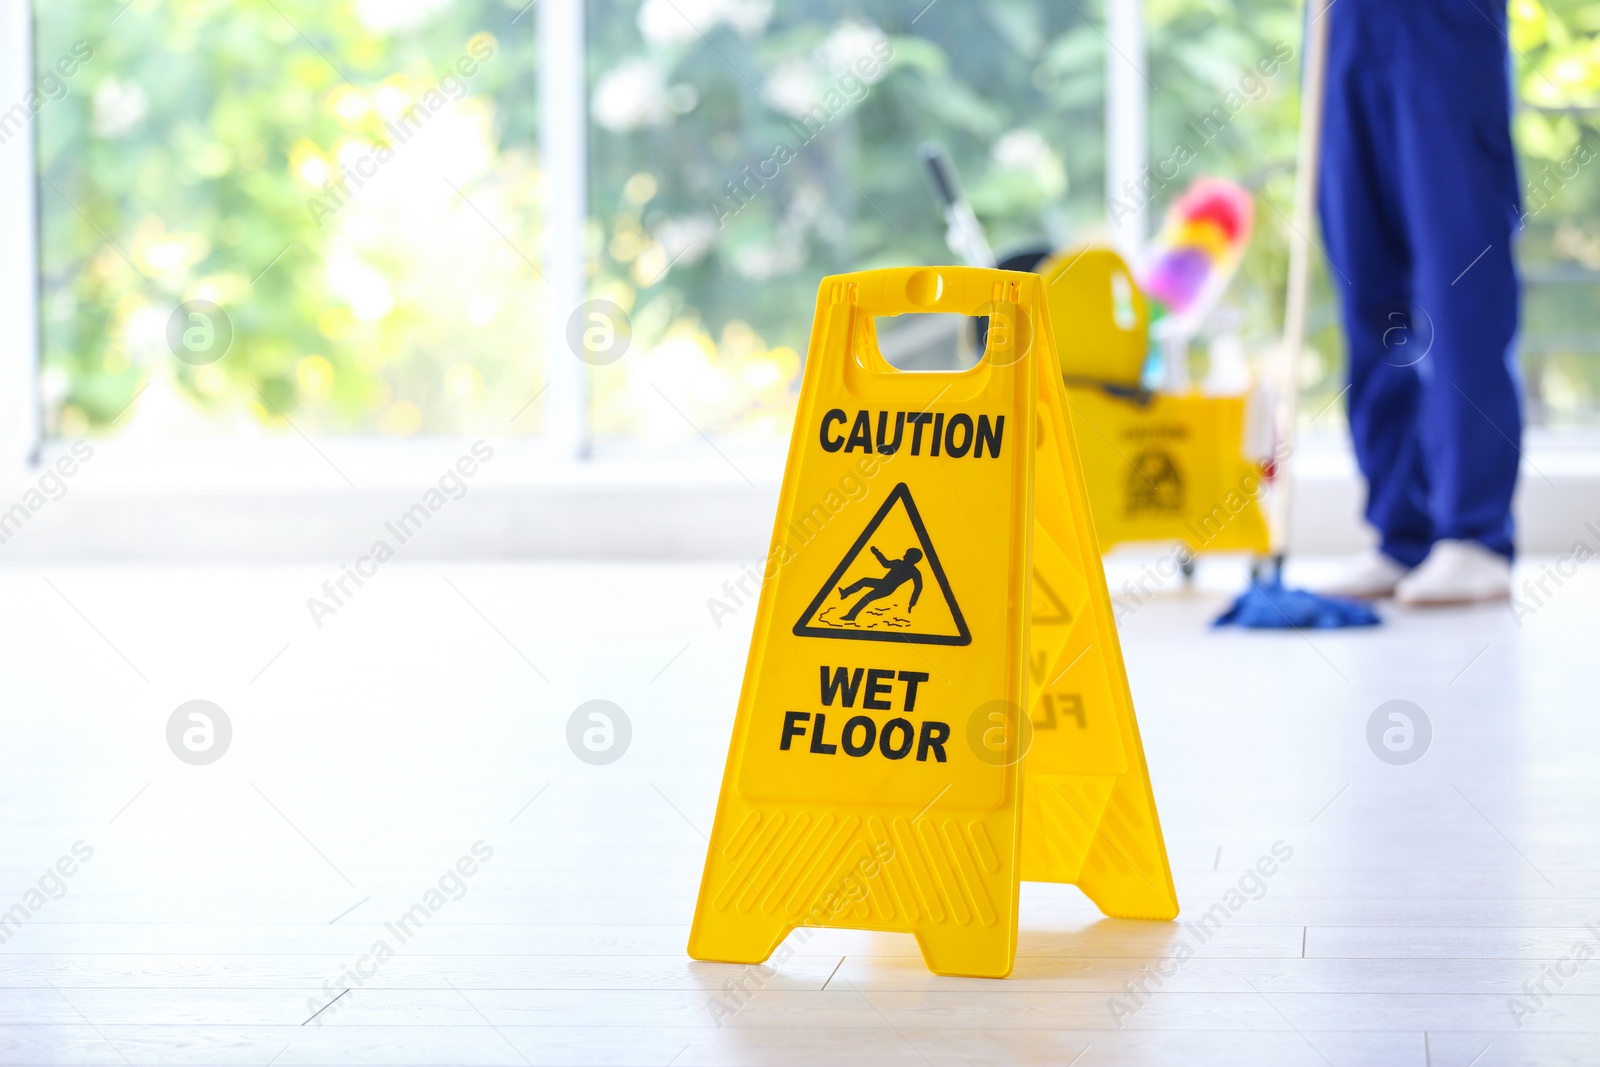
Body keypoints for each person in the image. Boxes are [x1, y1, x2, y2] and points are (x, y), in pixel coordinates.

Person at [1315, 0, 1522, 605]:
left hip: (1441, 30)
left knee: (1460, 287)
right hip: (1346, 26)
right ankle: (1400, 530)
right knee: (1365, 282)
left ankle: (1475, 534)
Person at [839, 547, 923, 621]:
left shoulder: (912, 571)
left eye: (907, 554)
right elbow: (885, 563)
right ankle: (845, 593)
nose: (904, 556)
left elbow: (918, 587)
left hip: (887, 588)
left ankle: (851, 615)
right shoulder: (901, 564)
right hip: (883, 583)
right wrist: (877, 553)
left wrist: (912, 603)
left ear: (912, 558)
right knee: (864, 581)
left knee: (867, 597)